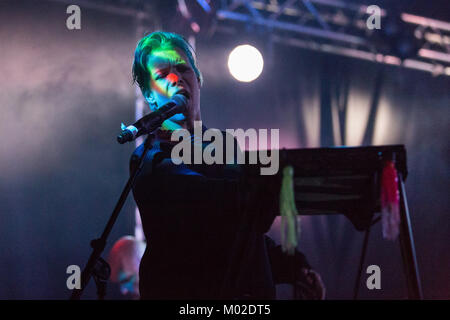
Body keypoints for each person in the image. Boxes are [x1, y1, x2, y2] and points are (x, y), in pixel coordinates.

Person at [129, 31, 324, 300]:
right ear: (150, 96)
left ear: (197, 80)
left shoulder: (222, 144)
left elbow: (243, 232)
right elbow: (215, 202)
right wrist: (260, 181)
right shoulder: (151, 159)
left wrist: (295, 268)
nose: (176, 78)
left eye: (183, 69)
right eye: (162, 76)